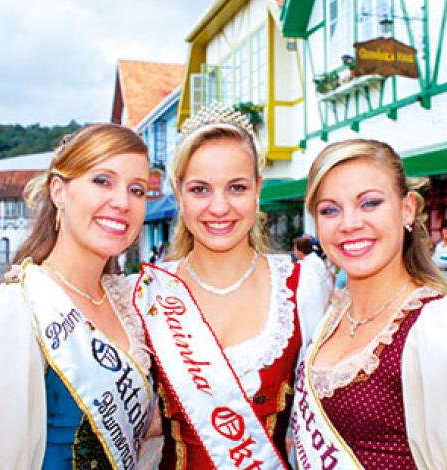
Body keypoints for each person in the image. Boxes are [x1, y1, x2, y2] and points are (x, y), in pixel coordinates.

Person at [0, 124, 162, 469]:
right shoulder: (11, 313)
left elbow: (130, 428)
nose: (122, 202)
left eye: (137, 190)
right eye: (102, 181)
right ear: (59, 192)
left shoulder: (130, 305)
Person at [289, 138, 447, 469]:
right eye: (330, 209)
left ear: (407, 209)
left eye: (370, 203)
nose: (349, 223)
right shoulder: (330, 318)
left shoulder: (445, 330)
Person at [131, 105, 330, 469]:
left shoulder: (304, 287)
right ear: (178, 192)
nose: (219, 207)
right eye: (200, 189)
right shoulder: (145, 294)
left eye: (236, 187)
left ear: (258, 190)